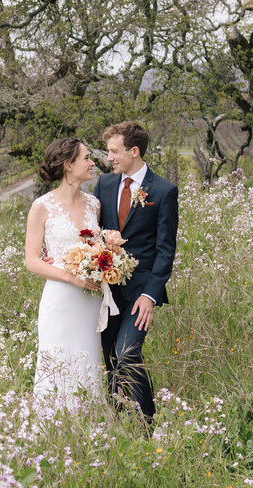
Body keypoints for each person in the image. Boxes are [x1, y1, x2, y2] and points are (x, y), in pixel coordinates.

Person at [93, 121, 178, 424]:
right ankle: (119, 421)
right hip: (106, 293)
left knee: (127, 353)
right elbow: (93, 234)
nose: (109, 157)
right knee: (110, 361)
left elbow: (166, 249)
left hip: (140, 293)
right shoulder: (104, 184)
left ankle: (149, 424)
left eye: (114, 151)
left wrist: (150, 296)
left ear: (134, 151)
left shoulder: (164, 191)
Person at [24, 138, 104, 405]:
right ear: (68, 165)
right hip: (60, 298)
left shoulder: (95, 204)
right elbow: (32, 261)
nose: (92, 163)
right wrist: (72, 278)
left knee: (88, 358)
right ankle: (52, 424)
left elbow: (98, 247)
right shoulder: (41, 206)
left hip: (90, 300)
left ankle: (90, 423)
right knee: (56, 360)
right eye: (86, 158)